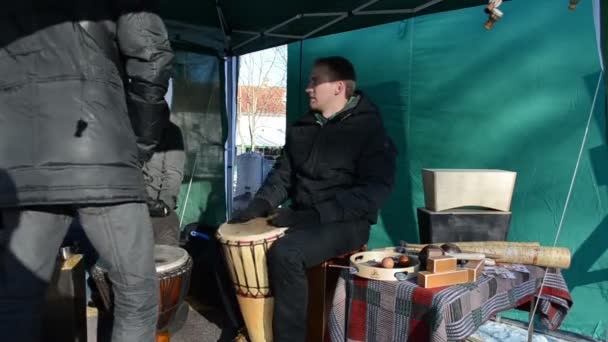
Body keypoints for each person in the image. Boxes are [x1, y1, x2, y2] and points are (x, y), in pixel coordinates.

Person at [0, 1, 174, 341]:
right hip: (101, 151)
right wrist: (138, 143)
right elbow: (151, 54)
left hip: (21, 163)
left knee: (15, 302)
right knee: (137, 299)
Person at [230, 56, 397, 342]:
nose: (308, 88)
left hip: (347, 222)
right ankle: (253, 329)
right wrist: (259, 206)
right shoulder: (303, 127)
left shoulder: (369, 131)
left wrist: (312, 216)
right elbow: (282, 177)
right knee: (233, 240)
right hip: (304, 217)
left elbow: (372, 192)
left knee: (286, 253)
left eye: (315, 81)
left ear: (338, 87)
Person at [144, 121, 186, 246]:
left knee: (167, 232)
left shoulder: (170, 131)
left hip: (156, 207)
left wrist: (164, 206)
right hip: (123, 208)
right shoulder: (119, 127)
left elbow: (172, 174)